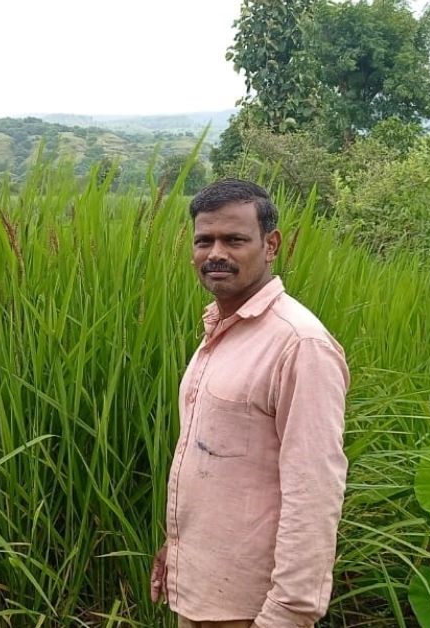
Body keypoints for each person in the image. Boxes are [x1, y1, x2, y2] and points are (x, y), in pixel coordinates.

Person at [149, 179, 350, 628]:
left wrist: (288, 613)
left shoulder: (299, 345)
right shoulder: (222, 331)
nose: (215, 253)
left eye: (235, 240)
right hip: (199, 591)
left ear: (271, 244)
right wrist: (177, 550)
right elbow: (219, 472)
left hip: (252, 609)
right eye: (205, 240)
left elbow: (314, 492)